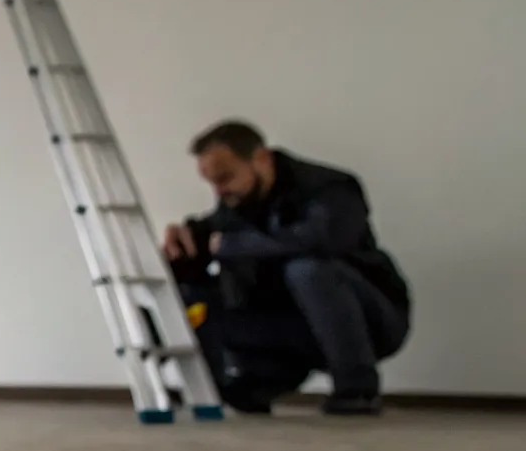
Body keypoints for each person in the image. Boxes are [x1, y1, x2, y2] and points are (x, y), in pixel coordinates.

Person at [161, 121, 410, 416]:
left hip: (372, 322)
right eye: (212, 183)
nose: (219, 191)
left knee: (307, 269)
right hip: (293, 328)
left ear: (261, 159)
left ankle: (358, 389)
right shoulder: (235, 204)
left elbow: (322, 240)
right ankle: (235, 384)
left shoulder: (331, 187)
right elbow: (215, 238)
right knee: (194, 292)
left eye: (225, 178)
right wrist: (181, 246)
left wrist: (231, 245)